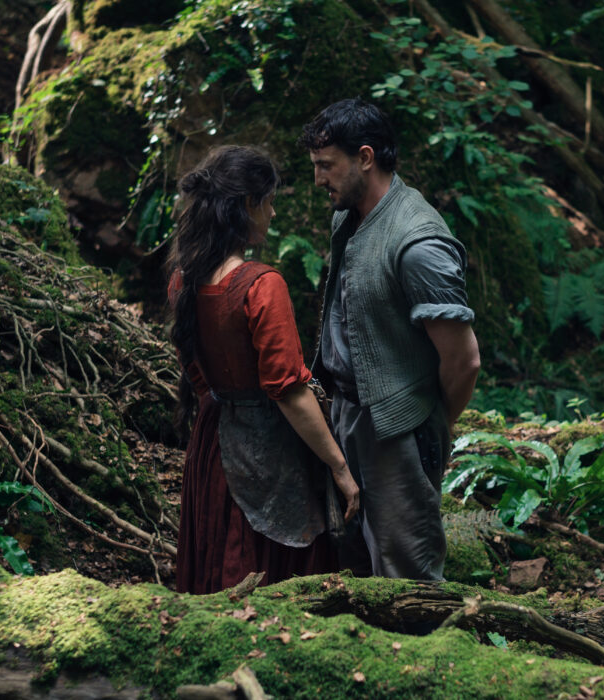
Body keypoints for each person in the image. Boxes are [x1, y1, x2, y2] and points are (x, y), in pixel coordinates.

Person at [299, 98, 480, 580]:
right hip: (345, 416)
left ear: (365, 157)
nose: (317, 179)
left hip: (398, 431)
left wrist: (428, 425)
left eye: (326, 165)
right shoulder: (347, 217)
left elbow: (464, 361)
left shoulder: (419, 243)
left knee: (407, 573)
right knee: (354, 563)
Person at [167, 145, 359, 595]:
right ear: (247, 205)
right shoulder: (261, 285)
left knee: (219, 551)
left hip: (213, 443)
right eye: (268, 202)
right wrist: (339, 466)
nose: (272, 213)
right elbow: (288, 390)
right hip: (268, 449)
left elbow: (196, 372)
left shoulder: (184, 278)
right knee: (265, 571)